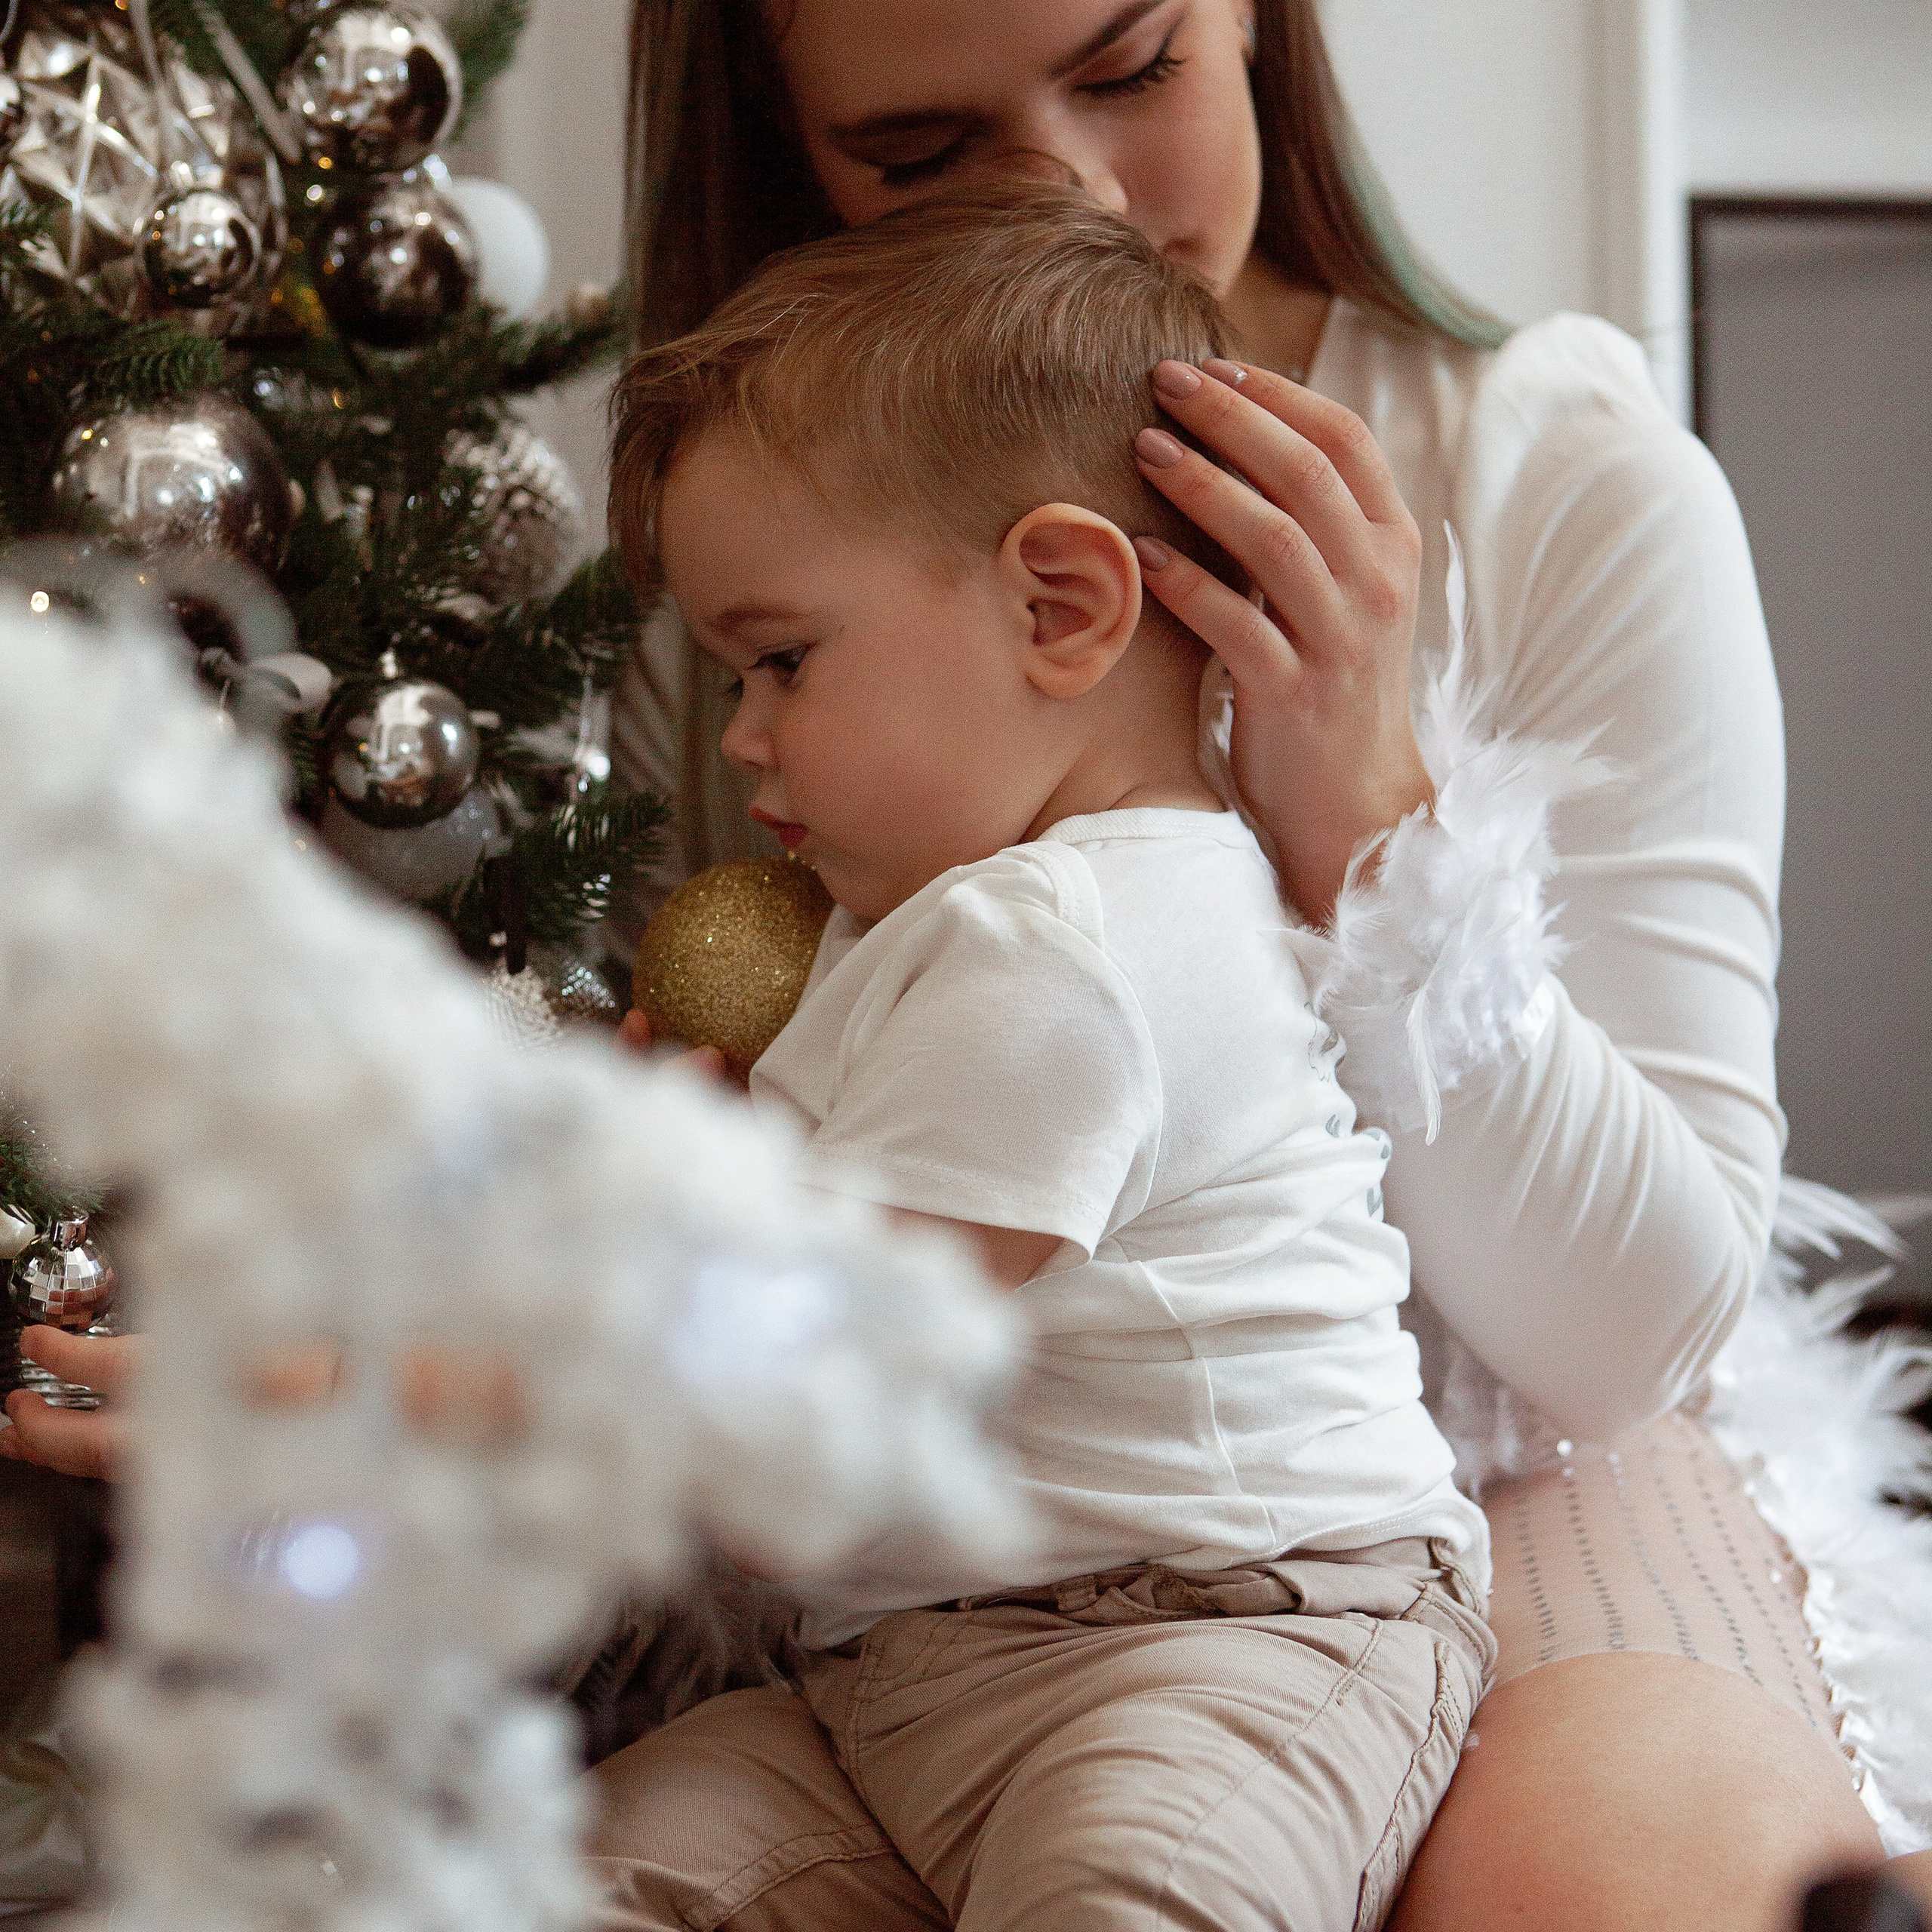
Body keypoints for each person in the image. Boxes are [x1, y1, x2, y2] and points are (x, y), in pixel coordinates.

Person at [601, 1, 1904, 1927]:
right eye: (918, 151)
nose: (1067, 183)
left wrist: (1367, 828)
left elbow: (1634, 1343)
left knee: (1607, 1884)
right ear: (782, 152)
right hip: (951, 1541)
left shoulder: (1546, 458)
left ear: (1258, 38)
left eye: (1131, 72)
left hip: (1498, 1453)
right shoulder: (755, 553)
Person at [595, 179, 1496, 1932]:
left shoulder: (1063, 942)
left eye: (777, 658)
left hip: (1221, 1632)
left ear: (1062, 605)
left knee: (1124, 1893)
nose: (746, 738)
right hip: (900, 1674)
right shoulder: (902, 936)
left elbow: (796, 1458)